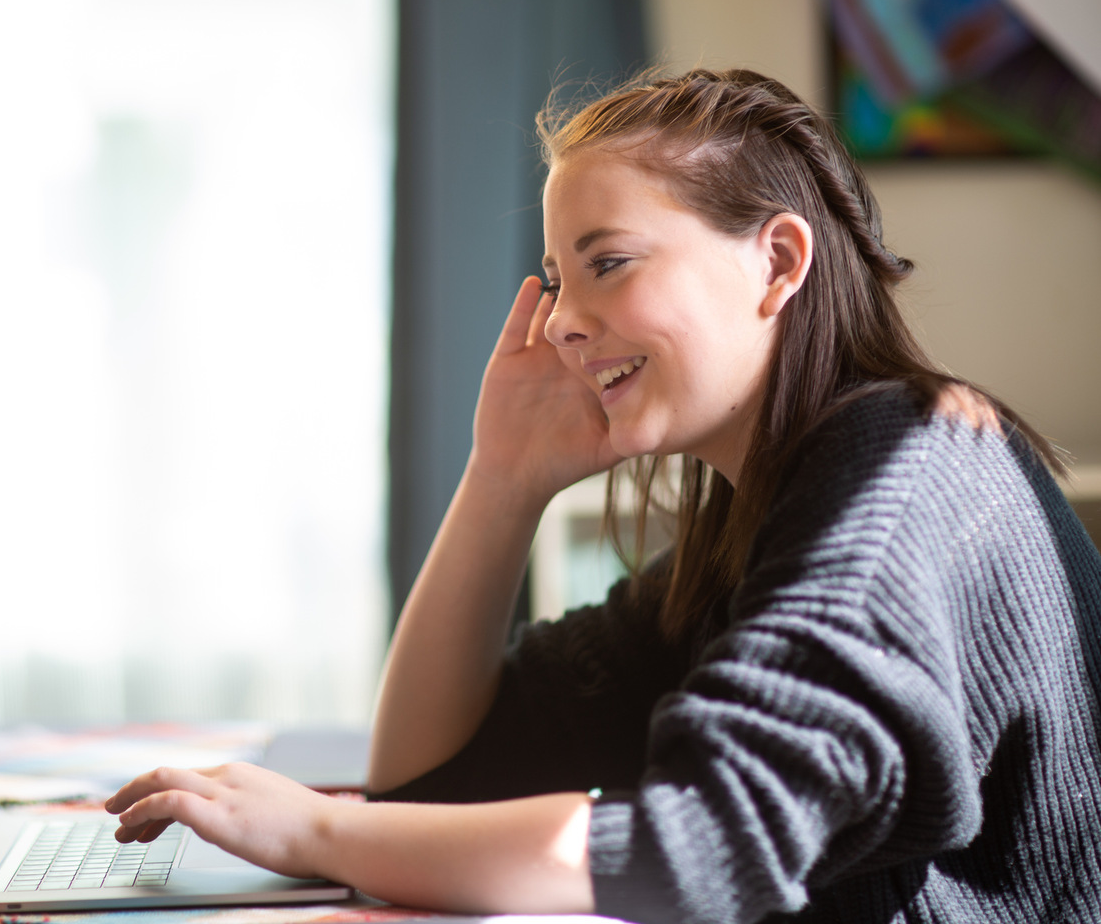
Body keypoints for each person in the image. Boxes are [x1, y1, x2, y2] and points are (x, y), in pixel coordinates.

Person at [105, 69, 1101, 921]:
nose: (566, 324)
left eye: (609, 265)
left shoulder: (903, 464)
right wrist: (501, 480)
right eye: (554, 280)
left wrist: (319, 829)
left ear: (779, 260)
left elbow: (697, 844)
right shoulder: (752, 531)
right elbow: (432, 777)